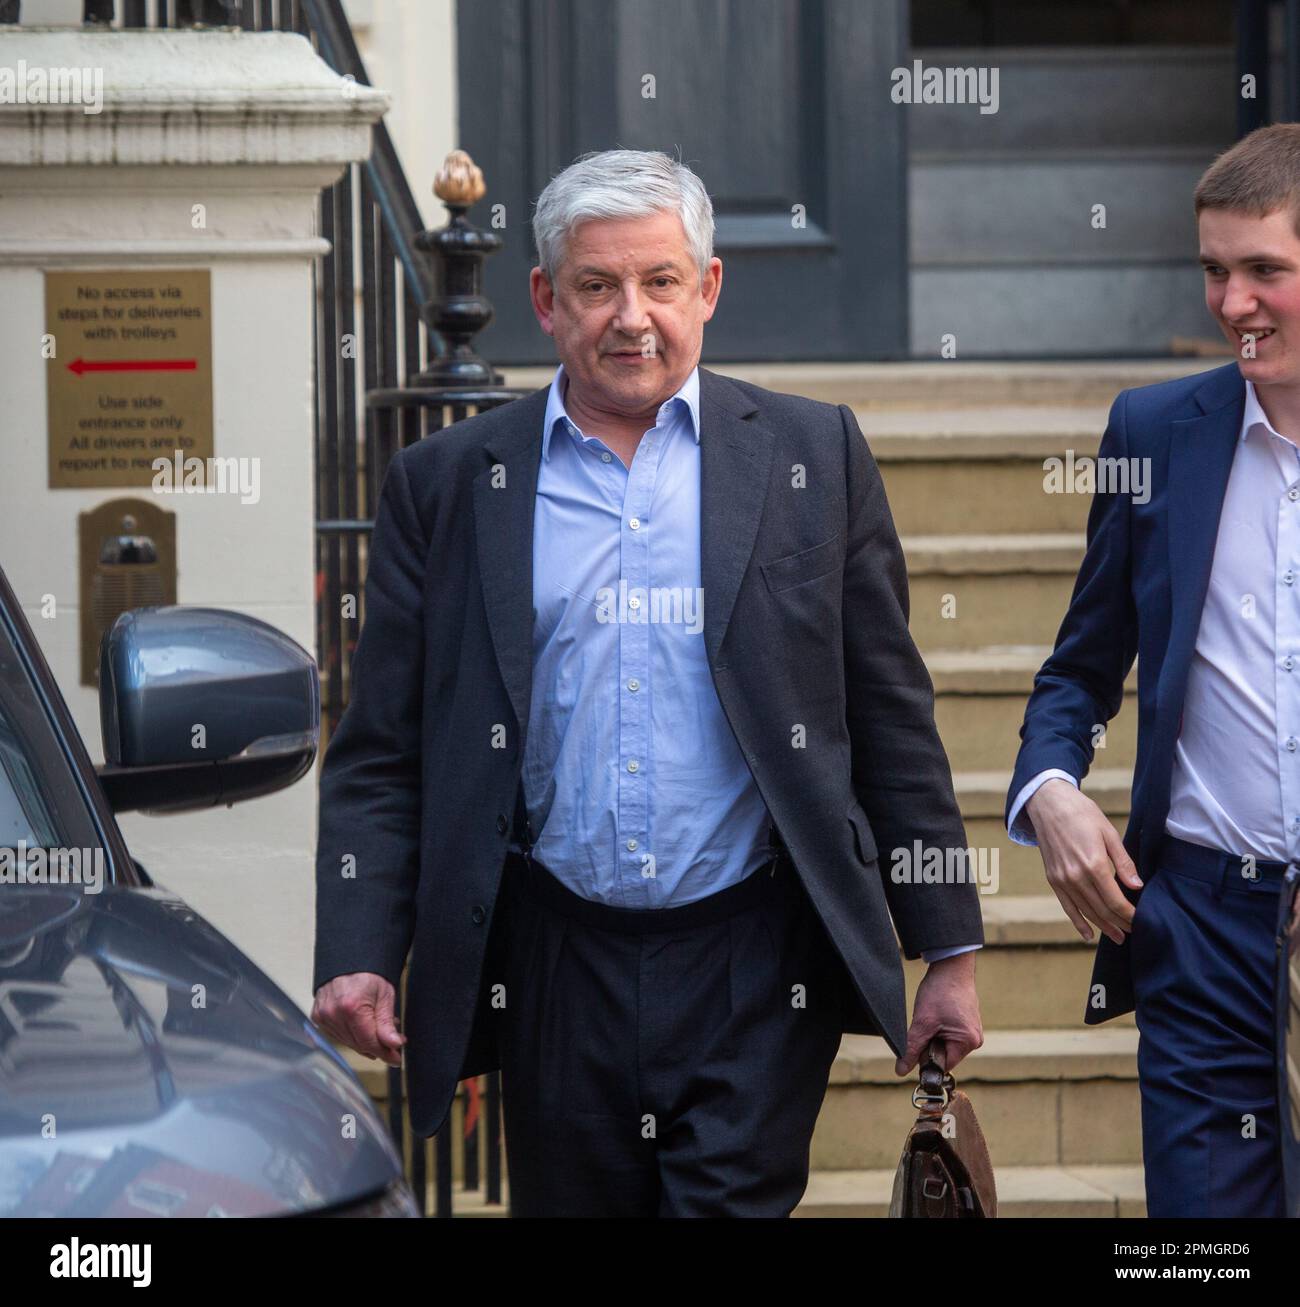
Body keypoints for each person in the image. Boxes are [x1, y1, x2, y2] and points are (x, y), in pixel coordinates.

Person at [312, 148, 983, 1217]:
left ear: (706, 288)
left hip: (755, 962)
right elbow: (384, 744)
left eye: (660, 281)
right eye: (596, 285)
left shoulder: (814, 455)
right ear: (544, 299)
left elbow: (890, 715)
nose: (632, 316)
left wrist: (945, 942)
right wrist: (357, 947)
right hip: (547, 959)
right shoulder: (446, 484)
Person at [1006, 122, 1300, 1219]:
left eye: (1264, 270)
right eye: (1214, 273)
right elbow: (1078, 670)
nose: (1231, 304)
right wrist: (1051, 792)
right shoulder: (1152, 429)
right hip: (1199, 930)